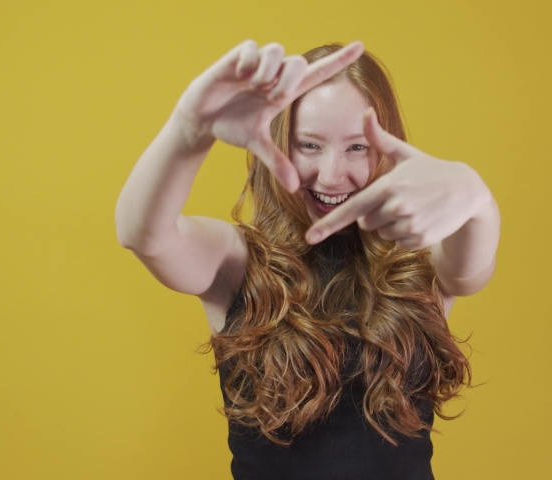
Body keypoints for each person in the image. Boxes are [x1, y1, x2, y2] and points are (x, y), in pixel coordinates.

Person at [115, 40, 501, 480]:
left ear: (387, 149)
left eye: (356, 147)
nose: (331, 175)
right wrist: (189, 129)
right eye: (309, 146)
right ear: (279, 143)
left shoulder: (423, 261)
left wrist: (478, 199)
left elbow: (471, 265)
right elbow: (142, 233)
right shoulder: (236, 263)